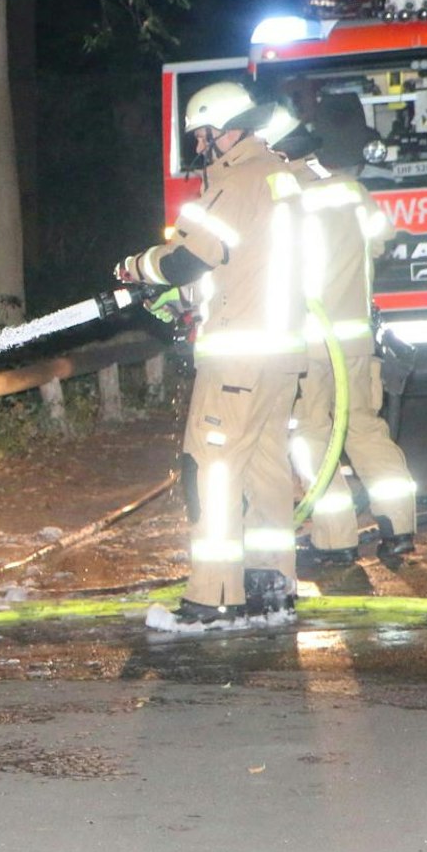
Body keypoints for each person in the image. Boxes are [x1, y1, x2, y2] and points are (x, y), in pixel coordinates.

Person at [116, 83, 305, 624]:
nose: (201, 144)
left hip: (238, 357)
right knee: (267, 469)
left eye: (206, 133)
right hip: (280, 354)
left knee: (212, 468)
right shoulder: (280, 177)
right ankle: (274, 585)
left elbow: (191, 258)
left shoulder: (236, 181)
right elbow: (246, 263)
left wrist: (137, 268)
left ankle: (214, 592)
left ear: (237, 126)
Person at [256, 106, 419, 569]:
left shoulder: (276, 197)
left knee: (313, 436)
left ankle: (335, 538)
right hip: (354, 339)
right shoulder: (350, 190)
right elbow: (382, 239)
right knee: (366, 427)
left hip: (305, 344)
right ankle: (399, 527)